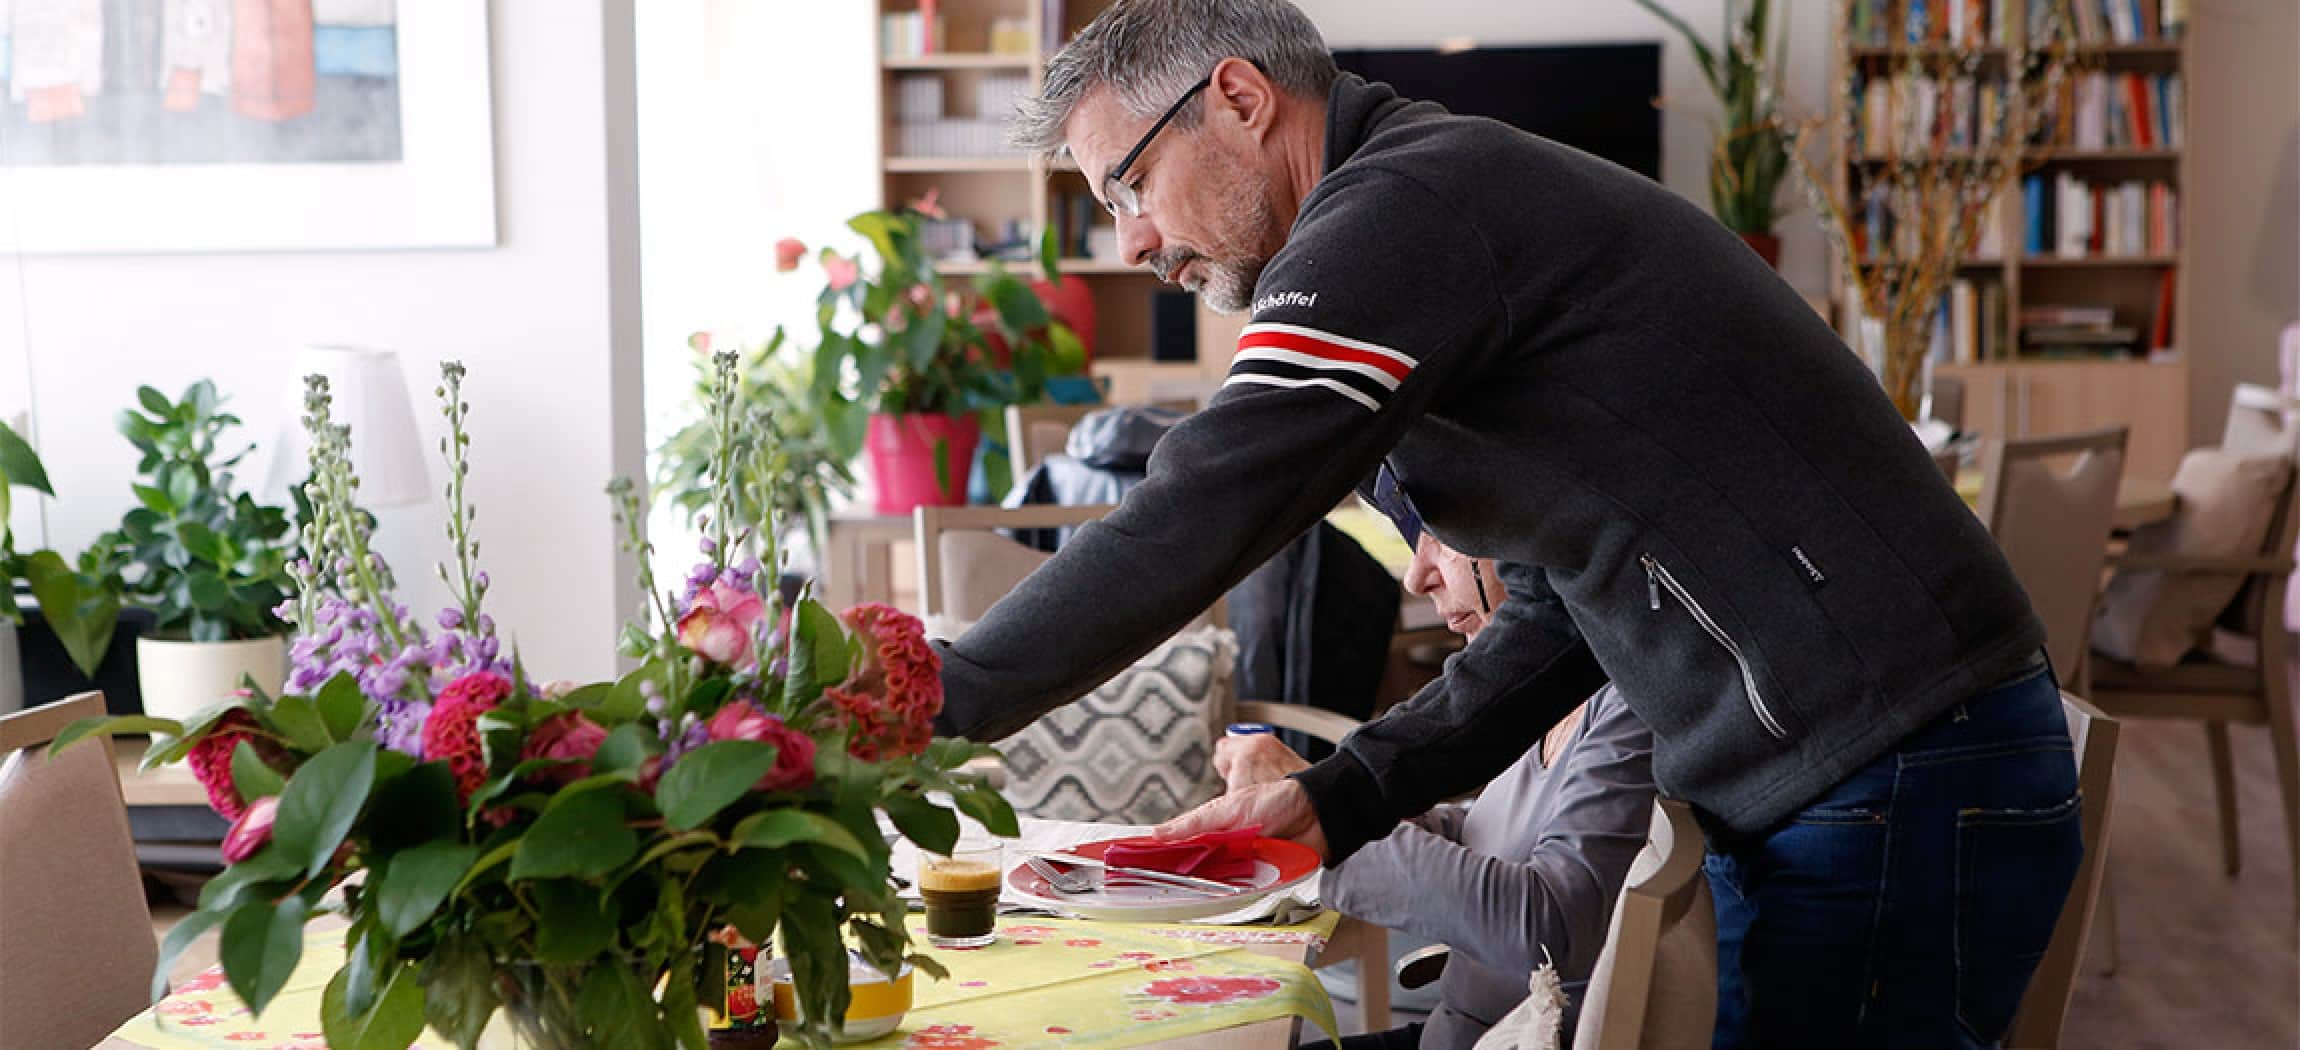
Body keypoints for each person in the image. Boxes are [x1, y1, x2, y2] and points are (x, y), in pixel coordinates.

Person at [931, 2, 2082, 1045]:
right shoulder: (1427, 202)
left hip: (1887, 768)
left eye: (1125, 186)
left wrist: (938, 697)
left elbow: (1213, 494)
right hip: (1863, 770)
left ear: (1236, 98)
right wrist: (1337, 799)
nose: (1129, 239)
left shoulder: (1398, 207)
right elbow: (1556, 619)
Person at [1219, 511, 1655, 1050]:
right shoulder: (1544, 694)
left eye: (1444, 539)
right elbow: (1490, 828)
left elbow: (1550, 928)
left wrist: (1324, 822)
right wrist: (1321, 796)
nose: (1415, 575)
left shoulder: (1631, 705)